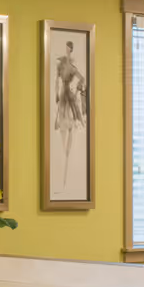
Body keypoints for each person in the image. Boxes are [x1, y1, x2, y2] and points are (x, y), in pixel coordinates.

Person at [52, 40, 87, 188]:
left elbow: (82, 78)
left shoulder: (72, 68)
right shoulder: (60, 65)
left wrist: (79, 88)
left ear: (70, 50)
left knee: (74, 115)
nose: (67, 50)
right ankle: (63, 153)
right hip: (63, 93)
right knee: (61, 120)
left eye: (69, 48)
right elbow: (56, 80)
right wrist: (56, 93)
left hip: (69, 93)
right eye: (66, 48)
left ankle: (68, 153)